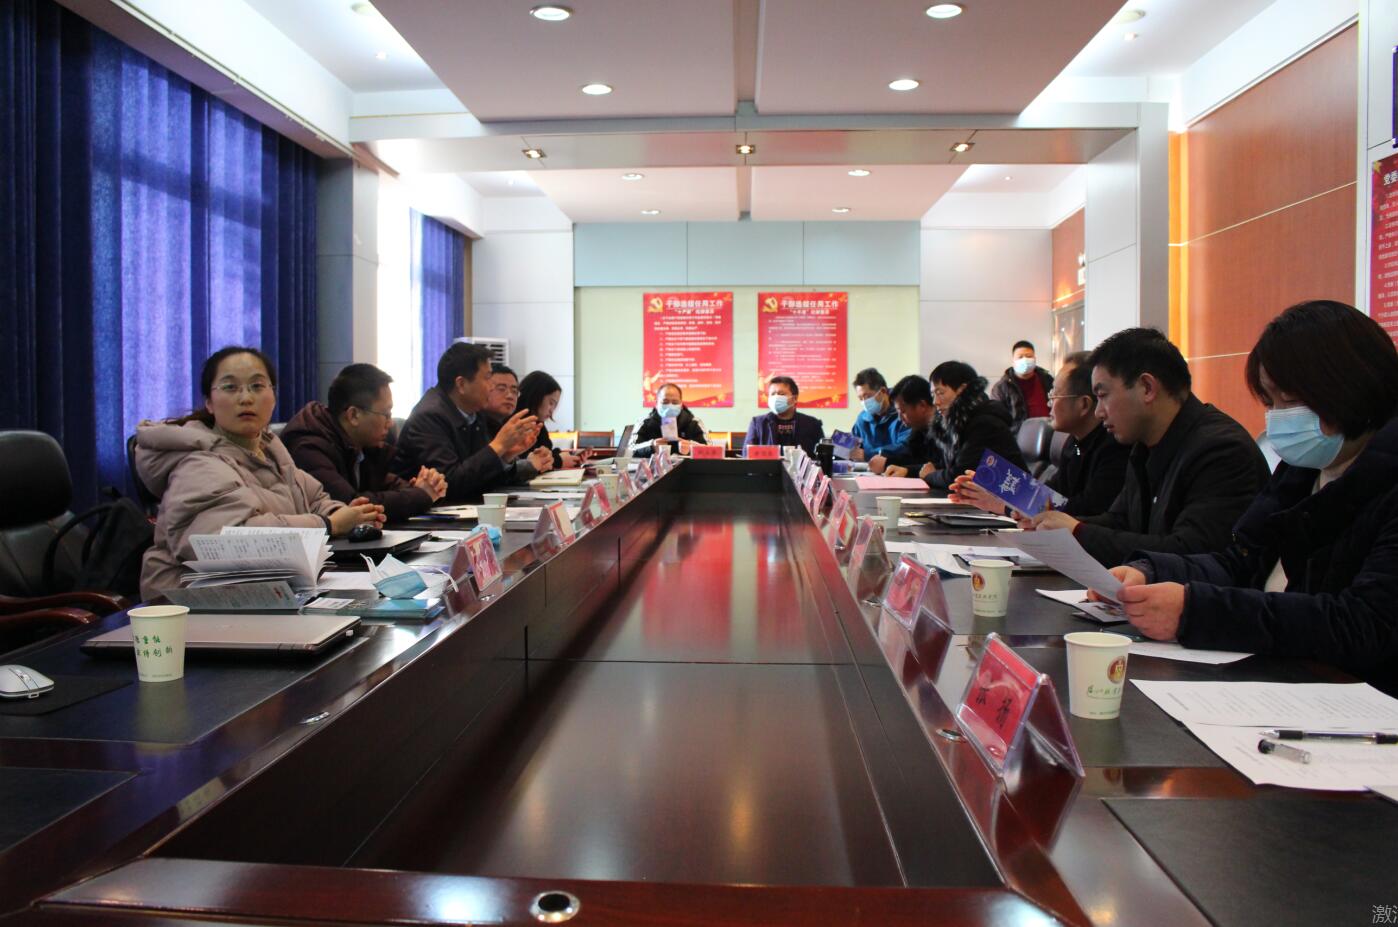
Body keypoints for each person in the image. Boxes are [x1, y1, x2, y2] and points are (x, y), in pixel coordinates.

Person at [1099, 301, 1398, 694]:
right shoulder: (1301, 470)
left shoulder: (1382, 482)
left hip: (1354, 698)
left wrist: (1196, 611)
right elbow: (1241, 561)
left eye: (1289, 400)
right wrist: (1151, 572)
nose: (1276, 418)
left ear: (1348, 387)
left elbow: (1364, 623)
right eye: (1270, 402)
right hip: (1277, 675)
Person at [135, 346, 384, 599]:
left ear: (273, 397)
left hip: (265, 591)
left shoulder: (269, 450)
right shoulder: (197, 463)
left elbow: (314, 498)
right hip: (186, 604)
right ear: (209, 403)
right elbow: (230, 539)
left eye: (257, 386)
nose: (246, 398)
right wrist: (329, 524)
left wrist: (348, 515)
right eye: (230, 387)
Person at [1025, 327, 1270, 566]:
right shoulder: (1143, 445)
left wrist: (1079, 532)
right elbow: (1121, 520)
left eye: (1103, 395)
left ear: (1147, 388)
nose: (1099, 412)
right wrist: (1056, 525)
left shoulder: (1220, 450)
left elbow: (1189, 552)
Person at [949, 352, 1129, 518]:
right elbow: (1051, 494)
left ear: (1083, 404)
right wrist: (995, 487)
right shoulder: (1075, 443)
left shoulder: (1114, 447)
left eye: (1054, 395)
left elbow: (1085, 510)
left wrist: (1005, 506)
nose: (1048, 403)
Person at [281, 364, 447, 522]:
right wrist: (421, 495)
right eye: (386, 414)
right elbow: (351, 506)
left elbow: (385, 484)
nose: (390, 423)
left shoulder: (364, 444)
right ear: (353, 415)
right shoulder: (309, 447)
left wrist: (425, 487)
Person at [392, 343, 541, 502]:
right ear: (461, 384)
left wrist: (505, 456)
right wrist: (498, 446)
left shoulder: (475, 412)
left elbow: (481, 479)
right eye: (487, 378)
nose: (492, 387)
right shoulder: (430, 416)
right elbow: (449, 485)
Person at [875, 362, 1023, 490]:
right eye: (933, 395)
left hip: (1015, 503)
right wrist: (909, 471)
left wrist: (931, 476)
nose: (935, 402)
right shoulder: (959, 423)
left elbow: (959, 476)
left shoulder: (984, 423)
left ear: (962, 390)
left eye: (940, 393)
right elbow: (945, 467)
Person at [484, 362, 554, 480]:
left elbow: (501, 472)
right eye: (501, 389)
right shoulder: (473, 424)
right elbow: (479, 476)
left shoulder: (504, 424)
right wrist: (529, 465)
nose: (510, 396)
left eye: (514, 391)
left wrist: (541, 459)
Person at [867, 375, 939, 475]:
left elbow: (937, 467)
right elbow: (912, 458)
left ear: (922, 405)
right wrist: (887, 461)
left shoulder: (946, 430)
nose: (900, 418)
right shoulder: (918, 430)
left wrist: (901, 468)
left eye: (903, 411)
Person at [517, 370, 586, 469]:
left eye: (555, 405)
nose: (552, 410)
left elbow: (546, 452)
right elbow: (528, 461)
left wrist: (570, 455)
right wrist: (559, 461)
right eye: (551, 403)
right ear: (536, 396)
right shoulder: (518, 422)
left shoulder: (537, 423)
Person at [744, 376, 825, 455]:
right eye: (772, 394)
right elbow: (746, 455)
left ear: (794, 398)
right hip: (768, 465)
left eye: (781, 394)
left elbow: (823, 456)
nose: (776, 398)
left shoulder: (812, 424)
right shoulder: (758, 423)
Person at [991, 340, 1054, 432]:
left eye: (1029, 356)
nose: (1024, 360)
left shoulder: (1047, 379)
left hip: (1048, 433)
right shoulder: (1001, 387)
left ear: (1035, 359)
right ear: (1013, 361)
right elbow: (996, 419)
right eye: (1020, 357)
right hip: (1018, 437)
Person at [849, 367, 909, 461]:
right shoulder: (862, 419)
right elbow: (854, 447)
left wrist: (869, 454)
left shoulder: (903, 414)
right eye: (860, 398)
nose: (864, 402)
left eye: (867, 396)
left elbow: (904, 448)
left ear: (883, 391)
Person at [634, 382, 708, 456]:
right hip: (653, 464)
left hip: (686, 464)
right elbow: (630, 450)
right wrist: (651, 446)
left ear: (681, 404)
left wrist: (692, 448)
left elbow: (710, 450)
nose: (670, 405)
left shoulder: (694, 423)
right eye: (665, 402)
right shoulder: (644, 423)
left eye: (675, 402)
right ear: (656, 403)